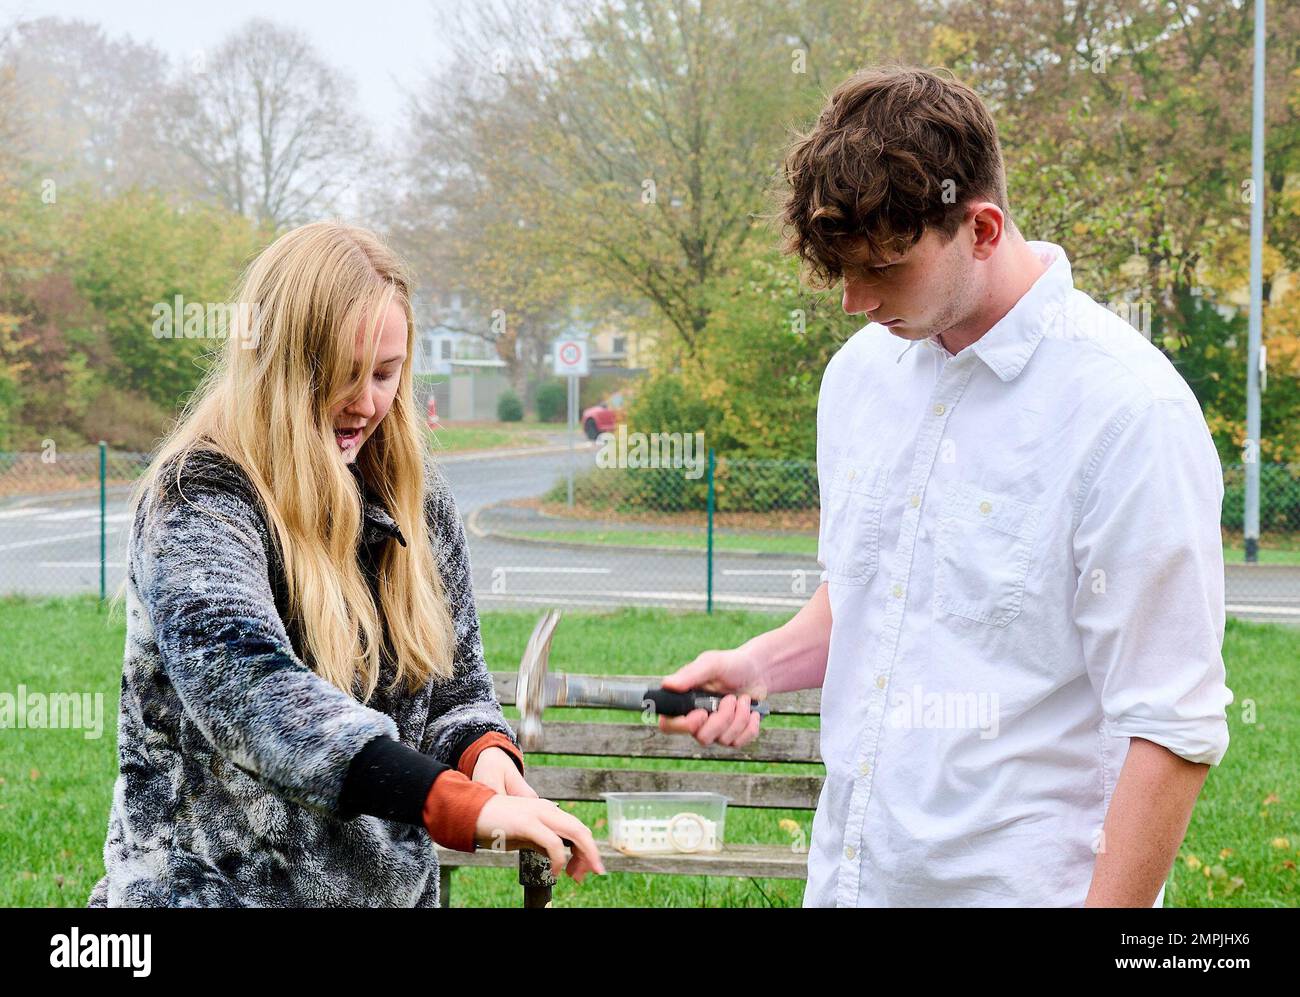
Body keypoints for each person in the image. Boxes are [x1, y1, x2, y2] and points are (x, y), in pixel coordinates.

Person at [657, 66, 1232, 908]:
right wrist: (760, 664)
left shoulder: (1128, 412)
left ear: (983, 228)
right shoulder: (860, 376)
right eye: (839, 273)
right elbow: (874, 595)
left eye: (882, 269)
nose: (855, 301)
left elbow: (1171, 725)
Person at [87, 221, 603, 907]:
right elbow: (252, 690)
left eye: (385, 373)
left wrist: (485, 756)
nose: (365, 402)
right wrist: (450, 803)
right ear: (277, 363)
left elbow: (455, 689)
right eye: (340, 376)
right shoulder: (198, 497)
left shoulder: (418, 503)